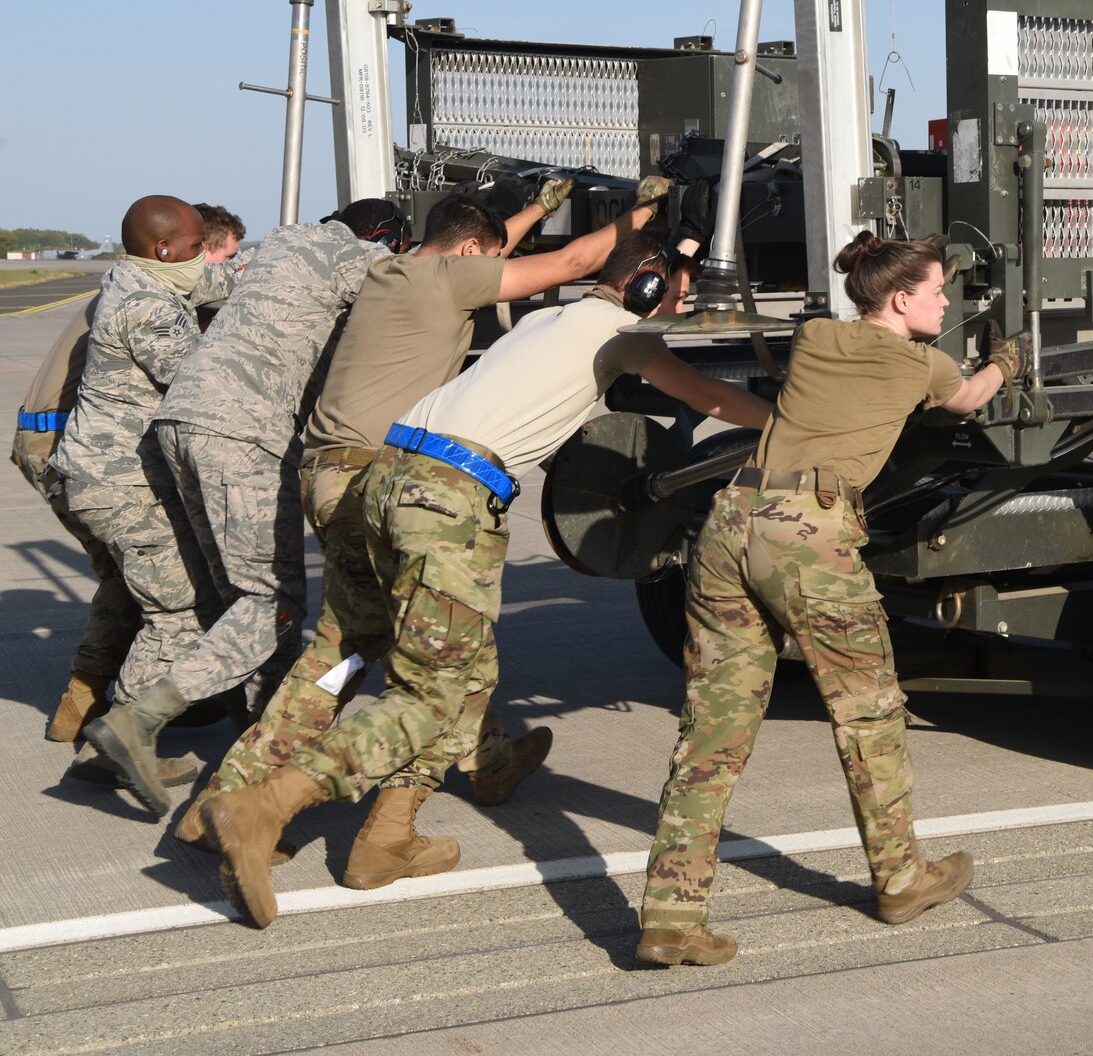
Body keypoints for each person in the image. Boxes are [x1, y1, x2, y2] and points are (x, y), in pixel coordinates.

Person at [205, 233, 775, 928]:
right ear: (647, 288)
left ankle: (387, 836)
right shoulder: (622, 330)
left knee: (454, 670)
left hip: (387, 478)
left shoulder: (548, 320)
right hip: (450, 496)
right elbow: (711, 396)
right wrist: (789, 425)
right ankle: (261, 807)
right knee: (432, 695)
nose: (676, 310)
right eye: (677, 295)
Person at [180, 176, 655, 878]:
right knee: (404, 655)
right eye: (485, 257)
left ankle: (481, 760)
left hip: (330, 475)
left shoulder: (394, 270)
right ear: (466, 251)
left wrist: (536, 210)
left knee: (387, 645)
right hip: (384, 479)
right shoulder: (444, 280)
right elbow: (572, 266)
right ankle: (261, 802)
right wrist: (647, 217)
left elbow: (489, 248)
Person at [634, 231, 1026, 968]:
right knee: (867, 712)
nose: (945, 302)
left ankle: (669, 917)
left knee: (712, 733)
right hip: (806, 535)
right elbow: (969, 397)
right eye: (938, 291)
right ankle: (902, 878)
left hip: (730, 523)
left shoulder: (814, 335)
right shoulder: (924, 363)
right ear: (903, 298)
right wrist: (1008, 358)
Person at [82, 199, 405, 816]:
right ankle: (137, 721)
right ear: (382, 239)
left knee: (244, 598)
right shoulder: (359, 256)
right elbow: (423, 278)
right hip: (242, 435)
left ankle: (264, 738)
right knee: (272, 604)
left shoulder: (280, 246)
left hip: (182, 424)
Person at [50, 195, 237, 789]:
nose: (200, 261)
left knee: (158, 595)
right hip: (122, 485)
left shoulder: (139, 274)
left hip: (110, 478)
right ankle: (123, 735)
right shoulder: (147, 307)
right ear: (163, 251)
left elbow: (211, 284)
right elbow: (206, 384)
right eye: (193, 250)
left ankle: (106, 733)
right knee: (181, 606)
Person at [12, 290, 139, 742]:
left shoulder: (123, 288)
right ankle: (85, 703)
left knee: (125, 568)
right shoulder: (147, 298)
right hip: (62, 445)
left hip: (45, 438)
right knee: (136, 569)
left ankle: (86, 702)